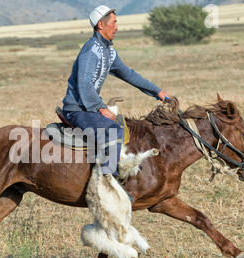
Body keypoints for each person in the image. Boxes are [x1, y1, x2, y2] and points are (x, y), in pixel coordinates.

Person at [61, 5, 169, 184]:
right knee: (112, 130)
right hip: (77, 109)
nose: (117, 27)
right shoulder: (91, 50)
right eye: (114, 22)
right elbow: (84, 84)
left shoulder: (108, 51)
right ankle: (106, 182)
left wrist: (157, 91)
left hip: (88, 108)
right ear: (101, 26)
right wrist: (100, 108)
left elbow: (128, 74)